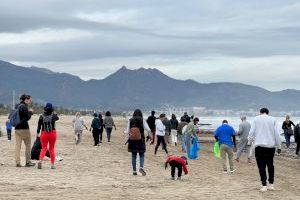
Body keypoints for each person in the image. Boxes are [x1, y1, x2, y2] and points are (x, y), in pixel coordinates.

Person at [248, 108, 282, 192]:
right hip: (271, 146)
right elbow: (277, 134)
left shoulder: (256, 119)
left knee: (261, 166)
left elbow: (251, 132)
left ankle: (264, 185)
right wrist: (279, 146)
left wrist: (249, 142)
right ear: (268, 113)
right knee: (270, 165)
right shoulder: (273, 119)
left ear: (260, 112)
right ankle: (271, 184)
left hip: (259, 146)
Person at [125, 109, 151, 176]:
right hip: (141, 139)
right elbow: (148, 129)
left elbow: (127, 131)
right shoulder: (143, 120)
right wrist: (149, 135)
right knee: (141, 154)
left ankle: (134, 171)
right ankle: (141, 167)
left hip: (132, 140)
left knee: (134, 155)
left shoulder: (130, 120)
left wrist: (126, 137)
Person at [15, 94, 35, 167]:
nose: (30, 101)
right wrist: (31, 112)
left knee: (17, 146)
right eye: (30, 100)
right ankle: (28, 162)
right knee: (28, 145)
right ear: (26, 99)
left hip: (17, 128)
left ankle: (17, 162)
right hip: (24, 129)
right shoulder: (24, 106)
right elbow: (27, 118)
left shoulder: (17, 106)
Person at [37, 103, 59, 169]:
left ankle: (40, 161)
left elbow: (38, 127)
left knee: (44, 148)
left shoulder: (41, 116)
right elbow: (57, 118)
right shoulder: (53, 116)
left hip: (44, 134)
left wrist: (38, 133)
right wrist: (55, 113)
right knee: (51, 149)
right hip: (52, 133)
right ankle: (52, 165)